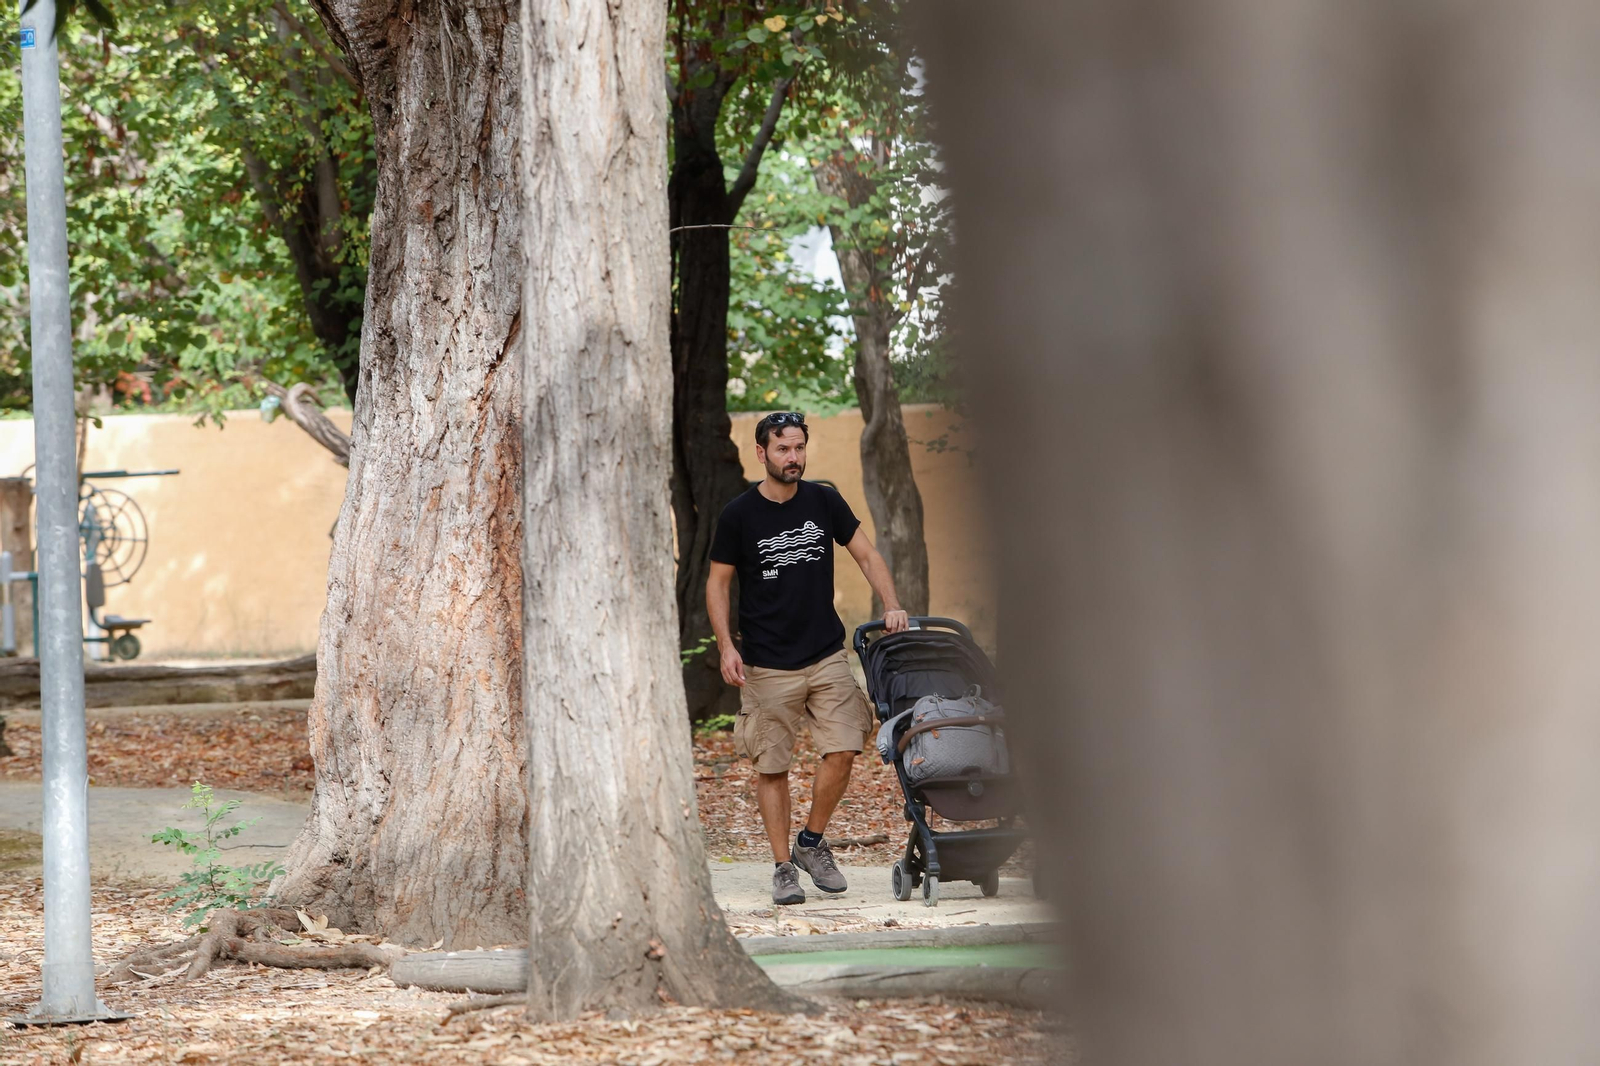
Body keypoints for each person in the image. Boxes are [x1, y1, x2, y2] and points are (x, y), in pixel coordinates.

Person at [706, 411, 910, 905]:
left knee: (845, 747)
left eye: (798, 448)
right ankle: (781, 867)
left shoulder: (824, 499)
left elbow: (866, 553)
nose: (793, 458)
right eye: (782, 449)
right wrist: (726, 646)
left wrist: (891, 603)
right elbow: (718, 583)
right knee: (771, 767)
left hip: (825, 653)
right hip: (766, 663)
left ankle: (811, 843)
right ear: (762, 453)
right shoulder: (739, 515)